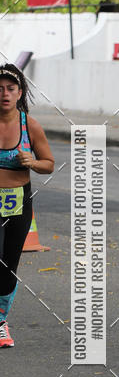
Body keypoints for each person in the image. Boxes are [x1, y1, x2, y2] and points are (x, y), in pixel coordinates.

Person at [0, 64, 54, 347]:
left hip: (17, 203)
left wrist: (32, 162)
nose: (4, 94)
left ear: (19, 93)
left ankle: (0, 321)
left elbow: (49, 164)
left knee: (8, 264)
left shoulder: (29, 125)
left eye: (10, 89)